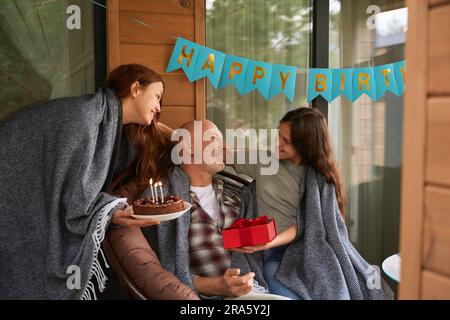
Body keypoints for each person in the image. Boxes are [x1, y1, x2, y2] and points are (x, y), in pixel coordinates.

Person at [0, 64, 171, 299]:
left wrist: (176, 135)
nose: (158, 107)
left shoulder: (108, 124)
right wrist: (111, 211)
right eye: (157, 97)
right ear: (136, 89)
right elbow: (76, 198)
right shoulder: (86, 118)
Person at [227, 107, 391, 300]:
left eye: (286, 141)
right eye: (278, 135)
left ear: (305, 145)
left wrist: (268, 242)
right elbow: (222, 154)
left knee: (335, 292)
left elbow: (310, 223)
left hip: (311, 249)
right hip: (274, 253)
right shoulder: (264, 162)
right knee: (284, 293)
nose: (277, 143)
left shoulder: (320, 178)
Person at [111, 120, 267, 299]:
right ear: (190, 148)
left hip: (255, 290)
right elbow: (161, 269)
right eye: (215, 139)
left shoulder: (237, 195)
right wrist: (216, 286)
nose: (224, 147)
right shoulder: (161, 202)